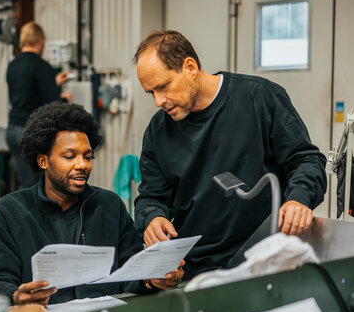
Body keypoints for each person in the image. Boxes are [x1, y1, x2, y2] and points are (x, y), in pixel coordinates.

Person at [133, 30, 327, 280]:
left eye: (163, 86)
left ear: (190, 67)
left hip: (265, 261)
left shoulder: (260, 98)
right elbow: (151, 196)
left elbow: (307, 160)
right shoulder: (158, 131)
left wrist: (299, 198)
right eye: (151, 93)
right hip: (197, 273)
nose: (159, 101)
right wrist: (152, 218)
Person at [0, 101, 183, 306]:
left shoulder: (109, 206)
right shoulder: (10, 212)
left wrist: (151, 279)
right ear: (43, 161)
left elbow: (130, 272)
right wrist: (15, 296)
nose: (82, 165)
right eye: (69, 156)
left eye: (87, 156)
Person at [5, 21, 73, 189]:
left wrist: (53, 82)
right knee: (35, 186)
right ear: (40, 40)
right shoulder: (41, 66)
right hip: (28, 132)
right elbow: (53, 104)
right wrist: (66, 99)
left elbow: (27, 91)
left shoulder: (12, 65)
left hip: (12, 129)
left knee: (25, 181)